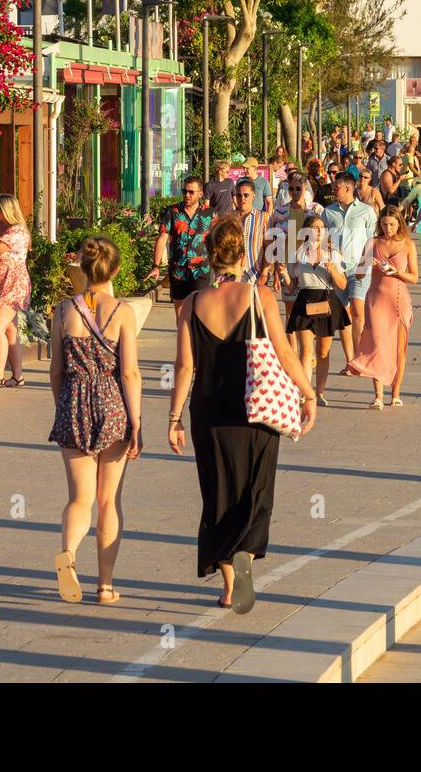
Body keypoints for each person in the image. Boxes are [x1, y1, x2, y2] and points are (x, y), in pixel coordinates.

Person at [168, 218, 317, 613]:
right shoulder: (260, 296)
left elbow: (185, 366)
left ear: (211, 255)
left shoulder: (193, 304)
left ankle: (231, 586)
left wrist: (174, 418)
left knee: (217, 494)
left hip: (209, 410)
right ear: (242, 253)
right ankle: (246, 556)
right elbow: (285, 354)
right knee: (255, 488)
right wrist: (308, 394)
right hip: (257, 409)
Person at [50, 237, 142, 606]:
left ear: (84, 270)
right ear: (115, 270)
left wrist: (65, 406)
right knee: (108, 500)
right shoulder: (122, 311)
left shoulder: (63, 310)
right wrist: (136, 423)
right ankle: (105, 585)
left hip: (74, 399)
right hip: (112, 404)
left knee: (79, 498)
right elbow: (131, 373)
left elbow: (56, 371)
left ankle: (69, 555)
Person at [348, 206, 418, 408]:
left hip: (398, 300)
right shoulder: (372, 243)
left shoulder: (407, 245)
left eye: (392, 224)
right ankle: (378, 395)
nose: (388, 228)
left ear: (400, 224)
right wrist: (368, 263)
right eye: (384, 224)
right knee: (377, 345)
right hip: (376, 300)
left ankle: (395, 393)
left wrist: (395, 271)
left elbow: (414, 277)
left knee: (399, 350)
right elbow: (359, 275)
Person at [285, 214, 349, 407]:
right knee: (306, 351)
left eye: (322, 227)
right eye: (315, 227)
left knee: (322, 352)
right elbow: (291, 287)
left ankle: (319, 391)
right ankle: (306, 392)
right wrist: (283, 275)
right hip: (304, 300)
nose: (319, 231)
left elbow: (343, 285)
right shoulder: (298, 254)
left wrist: (331, 268)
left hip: (326, 301)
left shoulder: (333, 254)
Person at [324, 172, 379, 374]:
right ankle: (350, 361)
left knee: (357, 310)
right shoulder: (328, 212)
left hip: (359, 268)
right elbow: (323, 239)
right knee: (343, 315)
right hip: (337, 269)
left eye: (336, 187)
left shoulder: (366, 211)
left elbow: (372, 240)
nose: (332, 190)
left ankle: (360, 360)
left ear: (348, 188)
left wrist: (367, 266)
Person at [147, 176, 214, 311]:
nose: (187, 195)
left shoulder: (209, 214)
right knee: (180, 310)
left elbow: (217, 240)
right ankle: (182, 332)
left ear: (200, 194)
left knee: (200, 309)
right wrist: (156, 266)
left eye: (191, 192)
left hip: (201, 269)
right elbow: (162, 238)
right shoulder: (172, 212)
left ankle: (195, 332)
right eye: (184, 191)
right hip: (178, 270)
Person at [0, 194, 31, 388]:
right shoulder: (12, 230)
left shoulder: (17, 232)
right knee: (9, 330)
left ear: (6, 211)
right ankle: (17, 376)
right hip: (5, 282)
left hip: (12, 284)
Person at [231, 177, 269, 283]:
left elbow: (269, 248)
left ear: (253, 196)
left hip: (255, 274)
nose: (242, 198)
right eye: (239, 195)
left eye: (246, 195)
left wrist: (264, 274)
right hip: (233, 274)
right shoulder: (229, 219)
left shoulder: (263, 217)